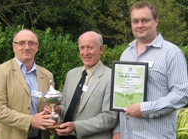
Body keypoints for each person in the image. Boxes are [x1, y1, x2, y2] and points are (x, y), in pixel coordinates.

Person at [113, 1, 188, 139]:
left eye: (145, 20)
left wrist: (145, 109)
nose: (140, 25)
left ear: (156, 21)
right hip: (126, 135)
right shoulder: (126, 53)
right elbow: (121, 94)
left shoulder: (172, 53)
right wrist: (117, 129)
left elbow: (182, 93)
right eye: (135, 21)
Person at [0, 29, 56, 139]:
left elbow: (50, 106)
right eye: (21, 43)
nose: (27, 47)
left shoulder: (47, 75)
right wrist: (30, 120)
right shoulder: (1, 71)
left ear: (37, 47)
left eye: (31, 43)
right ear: (14, 46)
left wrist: (53, 114)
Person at [54, 31, 118, 139]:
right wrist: (58, 110)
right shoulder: (71, 74)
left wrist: (76, 127)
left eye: (90, 47)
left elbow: (109, 117)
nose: (85, 52)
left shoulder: (112, 77)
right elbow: (65, 105)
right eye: (82, 48)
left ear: (101, 49)